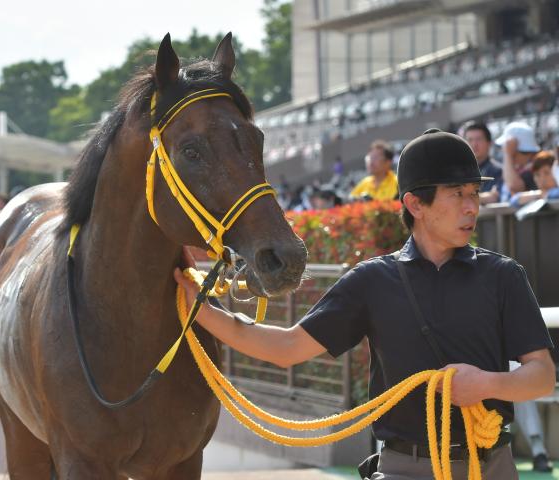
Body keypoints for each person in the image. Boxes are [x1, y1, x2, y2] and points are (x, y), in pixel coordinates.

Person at [174, 128, 556, 479]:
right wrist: (202, 311)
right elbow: (287, 347)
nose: (472, 206)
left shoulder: (504, 275)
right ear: (415, 204)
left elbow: (542, 376)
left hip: (491, 465)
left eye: (474, 193)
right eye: (458, 194)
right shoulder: (372, 280)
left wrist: (487, 384)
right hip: (404, 468)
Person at [494, 122, 539, 202]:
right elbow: (495, 195)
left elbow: (514, 186)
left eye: (505, 147)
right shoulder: (510, 169)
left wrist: (508, 154)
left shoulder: (535, 169)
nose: (503, 149)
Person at [462, 122, 502, 204]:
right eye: (470, 140)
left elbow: (494, 197)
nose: (474, 144)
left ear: (489, 143)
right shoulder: (458, 172)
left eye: (479, 139)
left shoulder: (498, 171)